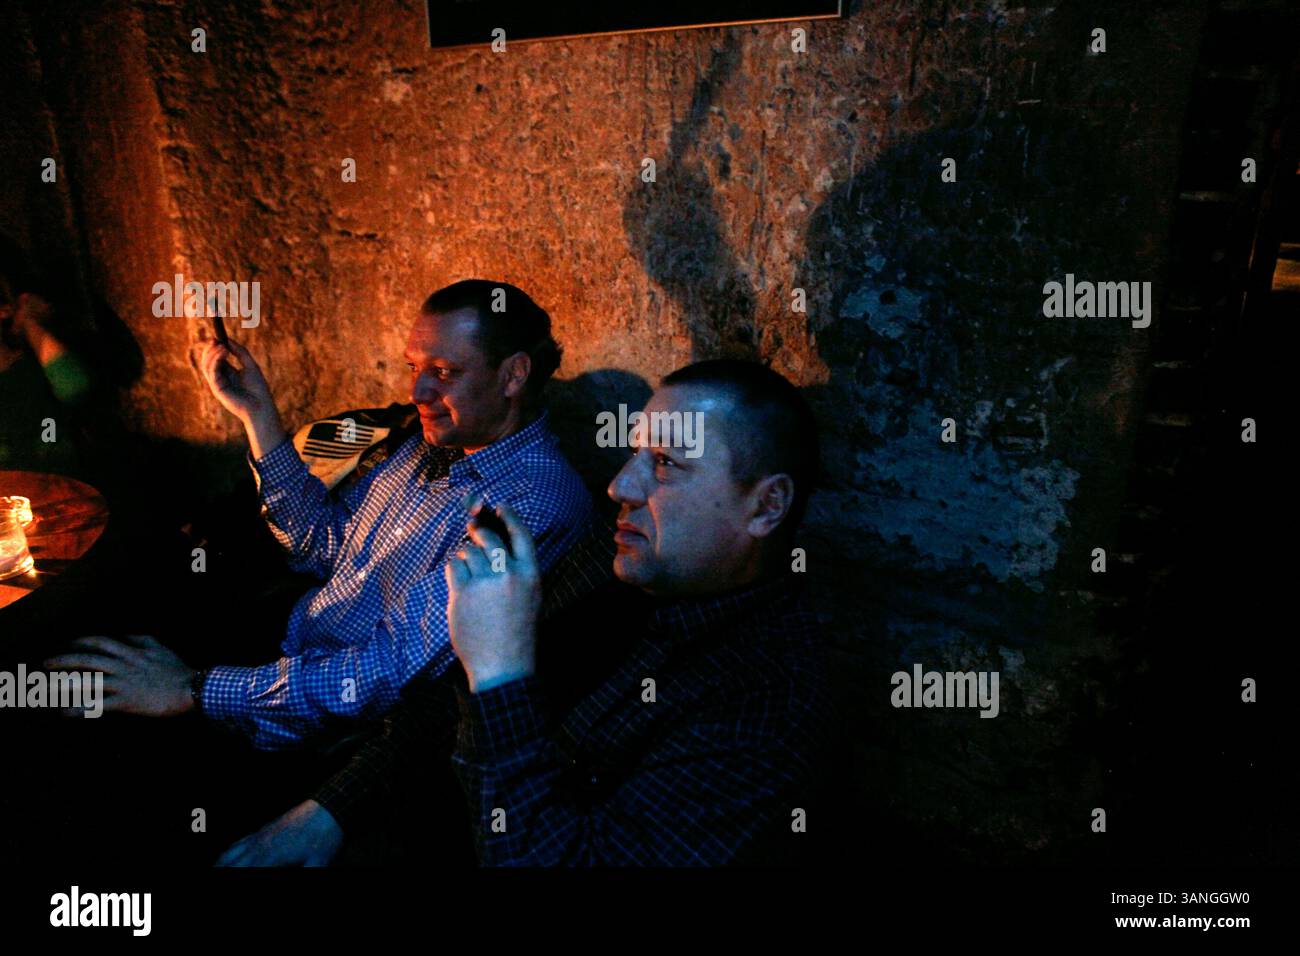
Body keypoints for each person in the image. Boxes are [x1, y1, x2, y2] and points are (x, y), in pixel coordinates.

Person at [219, 360, 833, 866]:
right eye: (635, 456)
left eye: (667, 465)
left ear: (767, 505)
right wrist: (330, 810)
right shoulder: (612, 557)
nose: (621, 487)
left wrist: (501, 674)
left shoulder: (766, 701)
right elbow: (445, 702)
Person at [46, 280, 596, 751]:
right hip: (281, 641)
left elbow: (390, 670)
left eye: (445, 372)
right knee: (84, 656)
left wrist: (194, 689)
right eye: (414, 367)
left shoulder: (531, 504)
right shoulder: (430, 444)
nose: (417, 389)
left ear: (514, 374)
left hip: (318, 718)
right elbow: (321, 547)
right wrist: (260, 418)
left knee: (95, 739)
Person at [0, 240, 95, 472]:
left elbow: (74, 389)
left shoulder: (31, 371)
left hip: (43, 494)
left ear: (5, 309)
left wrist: (30, 323)